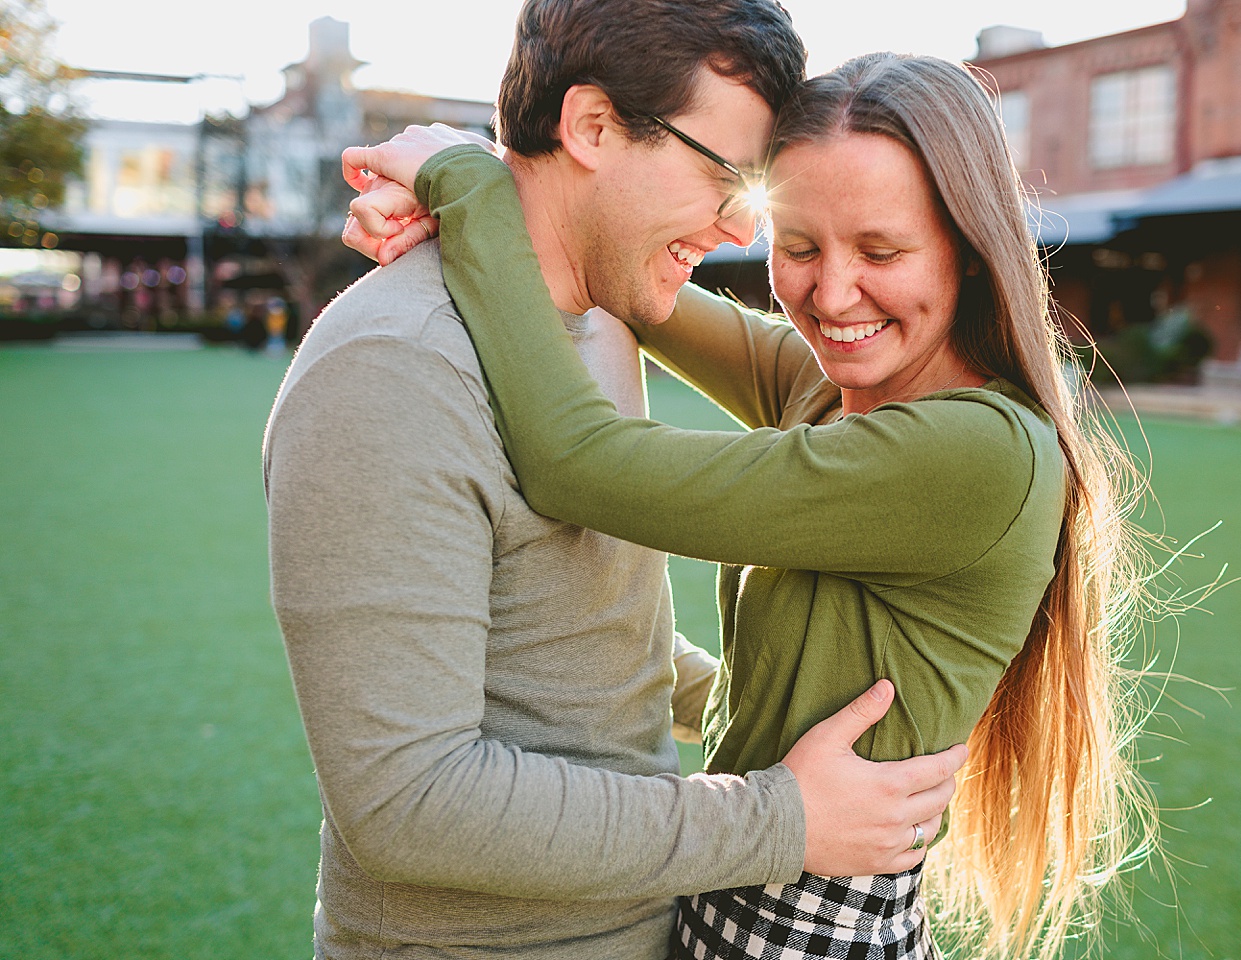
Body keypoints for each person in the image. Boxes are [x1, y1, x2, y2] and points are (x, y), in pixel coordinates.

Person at [343, 52, 1154, 960]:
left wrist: (462, 187)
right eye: (798, 247)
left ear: (969, 249)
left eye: (881, 252)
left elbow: (578, 466)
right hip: (739, 897)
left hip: (805, 932)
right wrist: (496, 183)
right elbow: (623, 273)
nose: (831, 294)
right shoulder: (846, 392)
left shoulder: (976, 454)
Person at [264, 5, 967, 960]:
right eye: (723, 175)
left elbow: (584, 630)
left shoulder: (603, 322)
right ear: (592, 126)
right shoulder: (397, 362)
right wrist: (778, 818)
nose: (737, 227)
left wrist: (754, 711)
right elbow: (406, 801)